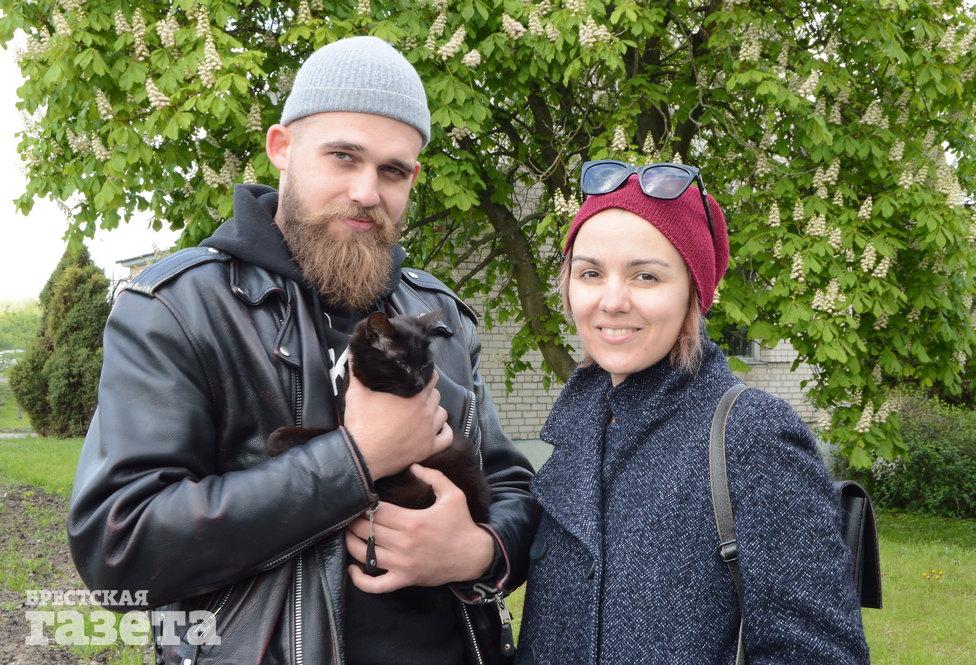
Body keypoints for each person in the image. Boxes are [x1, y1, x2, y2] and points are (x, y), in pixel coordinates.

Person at [67, 36, 538, 665]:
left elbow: (513, 489)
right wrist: (356, 459)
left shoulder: (440, 318)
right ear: (281, 148)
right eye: (343, 156)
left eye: (393, 171)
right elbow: (119, 549)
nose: (367, 191)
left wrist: (477, 553)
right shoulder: (179, 309)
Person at [516, 162, 870, 664]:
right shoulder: (579, 426)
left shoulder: (751, 434)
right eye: (590, 273)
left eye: (645, 276)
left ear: (694, 291)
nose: (611, 301)